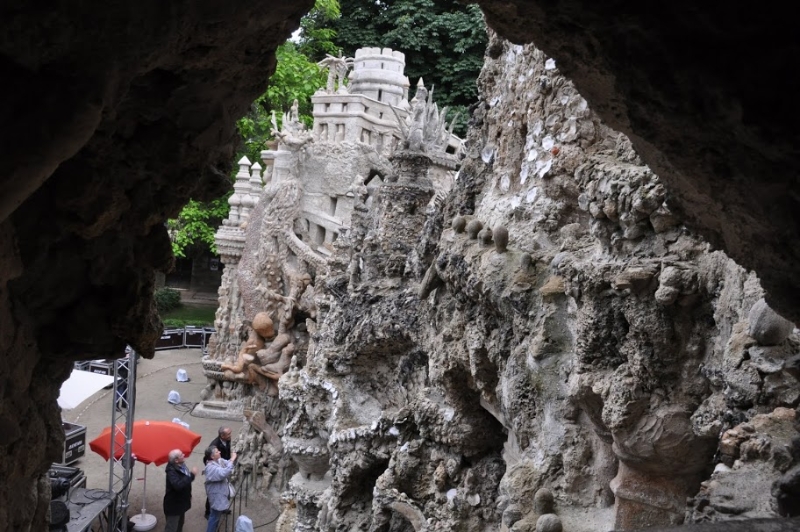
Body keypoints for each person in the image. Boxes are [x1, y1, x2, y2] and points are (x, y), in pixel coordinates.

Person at [163, 449, 198, 532]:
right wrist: (192, 475)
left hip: (181, 503)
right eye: (181, 455)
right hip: (174, 506)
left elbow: (185, 481)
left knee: (180, 524)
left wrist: (188, 495)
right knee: (171, 528)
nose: (184, 455)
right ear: (176, 460)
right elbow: (178, 485)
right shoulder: (171, 472)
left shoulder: (181, 465)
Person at [204, 445, 237, 532]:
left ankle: (214, 529)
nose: (219, 452)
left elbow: (227, 463)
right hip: (216, 495)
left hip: (220, 493)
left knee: (216, 515)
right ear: (212, 456)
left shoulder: (219, 460)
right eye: (217, 452)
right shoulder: (210, 468)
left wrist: (231, 459)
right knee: (214, 516)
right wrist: (232, 459)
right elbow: (224, 472)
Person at [204, 426, 233, 519]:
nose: (230, 435)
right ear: (222, 435)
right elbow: (206, 459)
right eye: (228, 434)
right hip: (217, 469)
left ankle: (223, 507)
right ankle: (208, 512)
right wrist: (215, 469)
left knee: (224, 490)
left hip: (223, 466)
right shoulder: (214, 445)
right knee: (214, 492)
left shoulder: (227, 440)